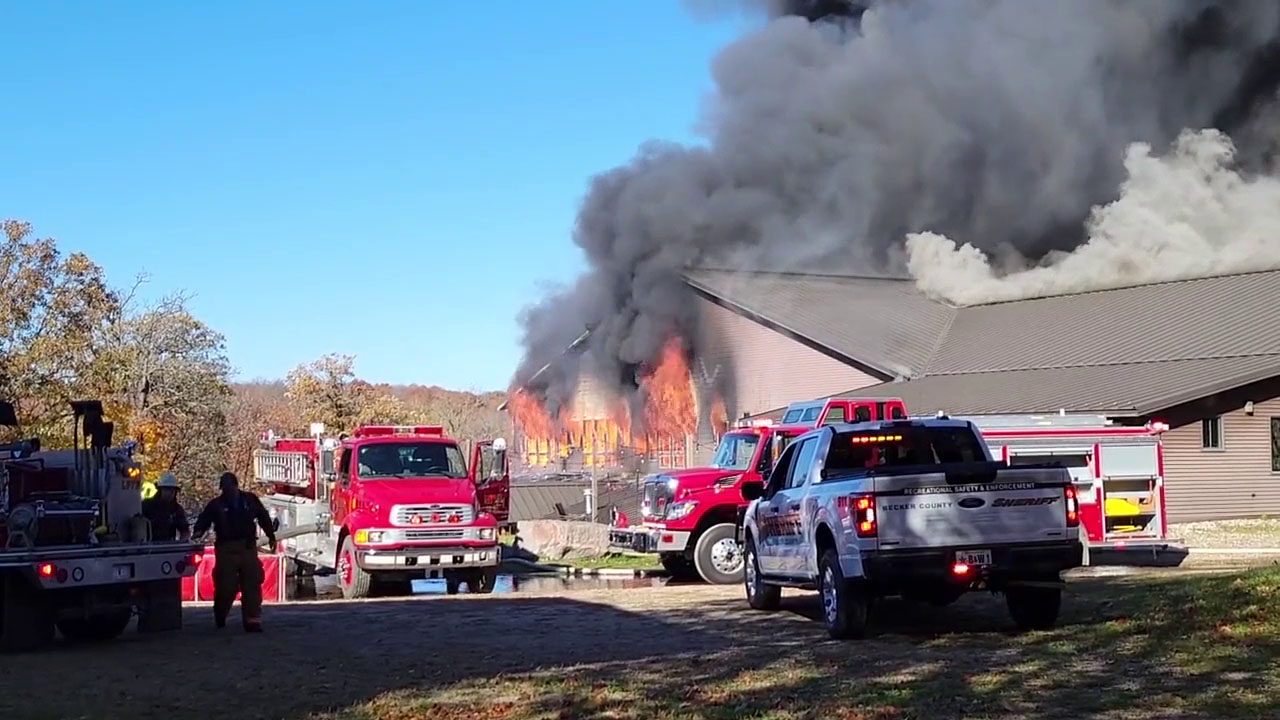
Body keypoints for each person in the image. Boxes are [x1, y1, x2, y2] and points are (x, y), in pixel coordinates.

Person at [191, 472, 277, 632]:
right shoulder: (216, 505)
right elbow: (203, 521)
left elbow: (263, 516)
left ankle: (252, 621)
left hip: (247, 547)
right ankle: (220, 615)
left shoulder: (250, 500)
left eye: (230, 487)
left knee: (252, 583)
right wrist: (197, 533)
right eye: (226, 488)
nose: (228, 491)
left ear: (236, 486)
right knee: (225, 586)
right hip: (226, 549)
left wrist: (271, 535)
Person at [141, 472, 190, 542]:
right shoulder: (147, 505)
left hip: (168, 548)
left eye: (173, 490)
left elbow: (184, 529)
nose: (171, 493)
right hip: (149, 547)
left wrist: (183, 540)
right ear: (160, 490)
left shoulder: (176, 509)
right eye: (167, 489)